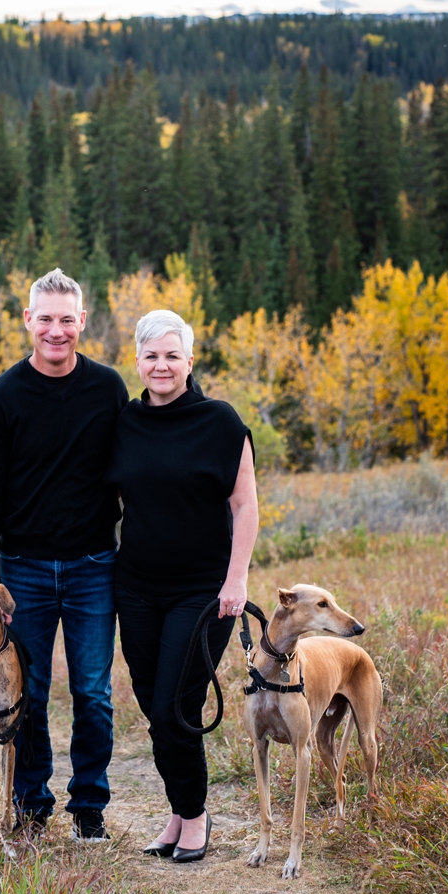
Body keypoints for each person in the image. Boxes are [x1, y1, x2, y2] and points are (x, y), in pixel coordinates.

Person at [0, 268, 127, 842]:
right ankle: (31, 806)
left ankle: (89, 807)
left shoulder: (108, 389)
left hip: (92, 568)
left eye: (67, 320)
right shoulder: (2, 398)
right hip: (23, 574)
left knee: (93, 690)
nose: (56, 331)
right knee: (25, 690)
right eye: (46, 319)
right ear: (28, 321)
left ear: (82, 322)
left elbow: (133, 468)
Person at [109, 308, 258, 863]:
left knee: (178, 702)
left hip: (203, 592)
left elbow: (244, 505)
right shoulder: (124, 423)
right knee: (154, 704)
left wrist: (236, 578)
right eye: (151, 355)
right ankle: (177, 810)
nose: (162, 365)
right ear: (139, 362)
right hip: (137, 587)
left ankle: (194, 817)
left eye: (173, 355)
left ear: (189, 362)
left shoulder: (220, 421)